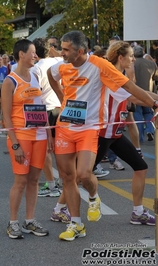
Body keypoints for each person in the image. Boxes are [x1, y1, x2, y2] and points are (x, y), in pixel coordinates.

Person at [47, 31, 157, 242]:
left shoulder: (99, 65)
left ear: (80, 51)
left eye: (66, 49)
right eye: (61, 48)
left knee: (84, 174)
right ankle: (76, 223)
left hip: (89, 129)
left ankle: (93, 196)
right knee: (68, 178)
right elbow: (51, 76)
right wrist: (62, 99)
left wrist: (154, 103)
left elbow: (130, 88)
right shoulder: (62, 66)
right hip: (64, 128)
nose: (62, 53)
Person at [94, 41, 155, 225]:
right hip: (103, 133)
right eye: (130, 56)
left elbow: (141, 93)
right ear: (120, 58)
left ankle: (138, 212)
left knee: (141, 167)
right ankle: (61, 208)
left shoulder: (120, 75)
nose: (133, 59)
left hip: (116, 134)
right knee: (80, 175)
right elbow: (136, 97)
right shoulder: (111, 76)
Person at [1, 39, 53, 239]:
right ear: (21, 54)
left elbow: (41, 107)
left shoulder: (35, 76)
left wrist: (48, 133)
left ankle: (29, 220)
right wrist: (14, 144)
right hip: (21, 136)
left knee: (34, 180)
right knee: (20, 181)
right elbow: (6, 116)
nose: (35, 56)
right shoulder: (10, 81)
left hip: (39, 135)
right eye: (32, 52)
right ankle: (13, 222)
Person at [31, 38, 63, 198]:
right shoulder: (59, 61)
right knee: (61, 149)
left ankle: (51, 185)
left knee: (45, 150)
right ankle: (64, 182)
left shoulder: (35, 68)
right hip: (60, 108)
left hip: (45, 110)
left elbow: (35, 94)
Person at [132, 45, 158, 142]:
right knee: (149, 113)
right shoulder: (151, 64)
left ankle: (139, 138)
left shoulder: (132, 64)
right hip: (149, 92)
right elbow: (156, 76)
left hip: (135, 93)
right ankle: (150, 130)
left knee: (137, 115)